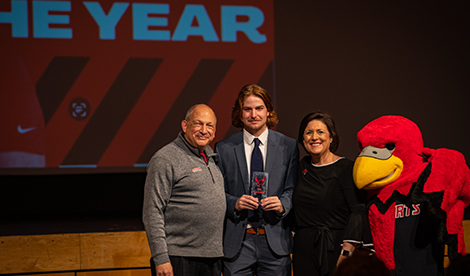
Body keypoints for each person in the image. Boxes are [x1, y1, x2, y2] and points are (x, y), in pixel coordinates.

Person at [215, 84, 299, 276]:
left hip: (275, 243)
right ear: (240, 113)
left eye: (259, 108)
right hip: (238, 242)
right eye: (247, 109)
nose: (254, 114)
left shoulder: (288, 145)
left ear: (268, 111)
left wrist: (283, 204)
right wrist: (234, 203)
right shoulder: (224, 148)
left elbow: (292, 188)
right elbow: (217, 193)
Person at [142, 104, 226, 276]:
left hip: (212, 258)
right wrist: (161, 258)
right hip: (178, 258)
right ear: (185, 125)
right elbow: (152, 211)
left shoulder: (211, 159)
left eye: (209, 125)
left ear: (215, 131)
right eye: (198, 124)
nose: (204, 130)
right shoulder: (165, 159)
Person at [292, 111, 373, 276]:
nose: (314, 137)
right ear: (302, 139)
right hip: (303, 252)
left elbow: (357, 211)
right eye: (309, 132)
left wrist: (346, 253)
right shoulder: (300, 167)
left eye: (320, 132)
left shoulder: (345, 168)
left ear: (331, 138)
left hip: (335, 249)